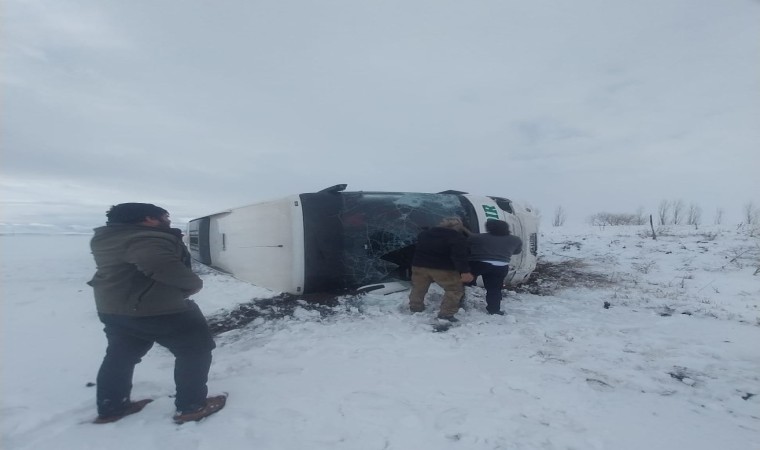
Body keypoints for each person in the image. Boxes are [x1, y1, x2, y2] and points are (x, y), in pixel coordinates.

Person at [88, 203, 226, 424]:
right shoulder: (144, 238)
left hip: (115, 309)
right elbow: (158, 263)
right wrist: (192, 284)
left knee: (120, 357)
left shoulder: (108, 237)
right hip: (159, 310)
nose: (168, 220)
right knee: (195, 351)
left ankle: (112, 407)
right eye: (165, 216)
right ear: (149, 219)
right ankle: (191, 407)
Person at [408, 217, 474, 321]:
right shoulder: (457, 237)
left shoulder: (424, 234)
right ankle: (446, 314)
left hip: (419, 266)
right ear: (458, 227)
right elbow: (459, 256)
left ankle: (415, 307)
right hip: (444, 269)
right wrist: (465, 271)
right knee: (454, 290)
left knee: (418, 288)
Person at [467, 219, 523, 315]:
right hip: (501, 266)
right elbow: (517, 251)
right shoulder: (515, 240)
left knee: (464, 280)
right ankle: (494, 310)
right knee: (494, 289)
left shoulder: (478, 237)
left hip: (480, 264)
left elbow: (467, 245)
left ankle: (464, 294)